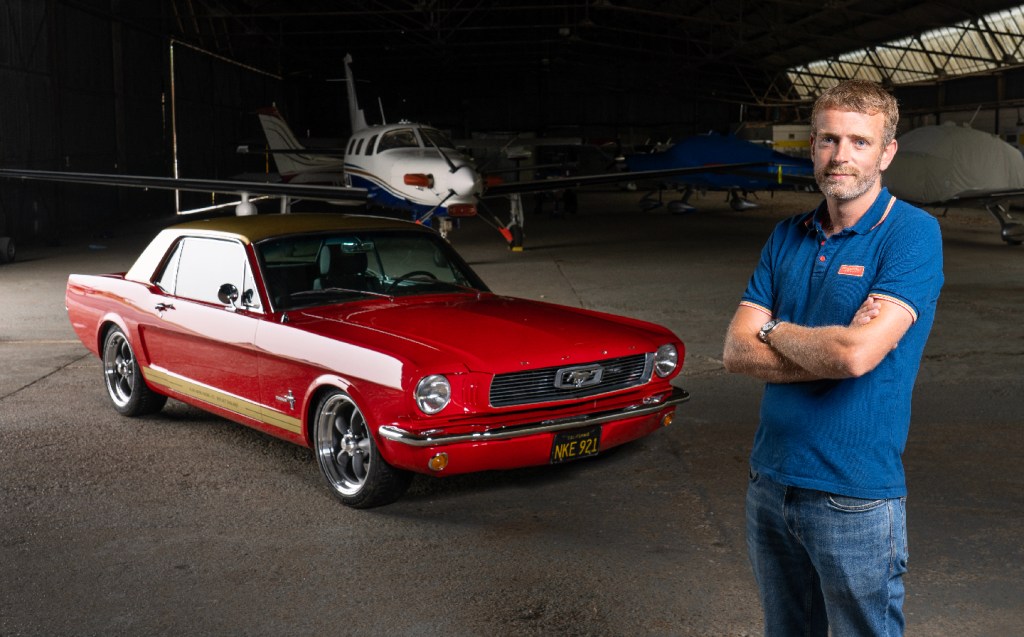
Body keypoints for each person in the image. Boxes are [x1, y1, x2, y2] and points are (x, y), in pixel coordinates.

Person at [722, 79, 944, 636]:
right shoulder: (786, 234)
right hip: (769, 483)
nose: (841, 155)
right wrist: (822, 343)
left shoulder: (912, 234)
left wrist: (770, 327)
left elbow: (855, 356)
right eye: (828, 139)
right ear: (812, 146)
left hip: (854, 496)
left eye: (860, 142)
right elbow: (734, 352)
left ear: (887, 151)